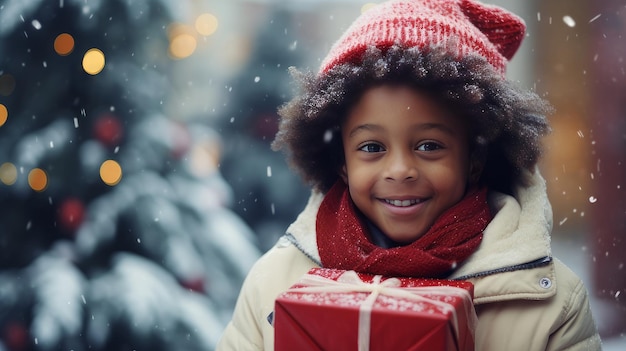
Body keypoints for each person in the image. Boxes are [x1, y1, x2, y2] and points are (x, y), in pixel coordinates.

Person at [216, 0, 601, 350]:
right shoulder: (274, 282)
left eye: (429, 146)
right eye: (371, 148)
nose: (400, 170)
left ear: (475, 158)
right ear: (341, 163)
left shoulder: (549, 305)